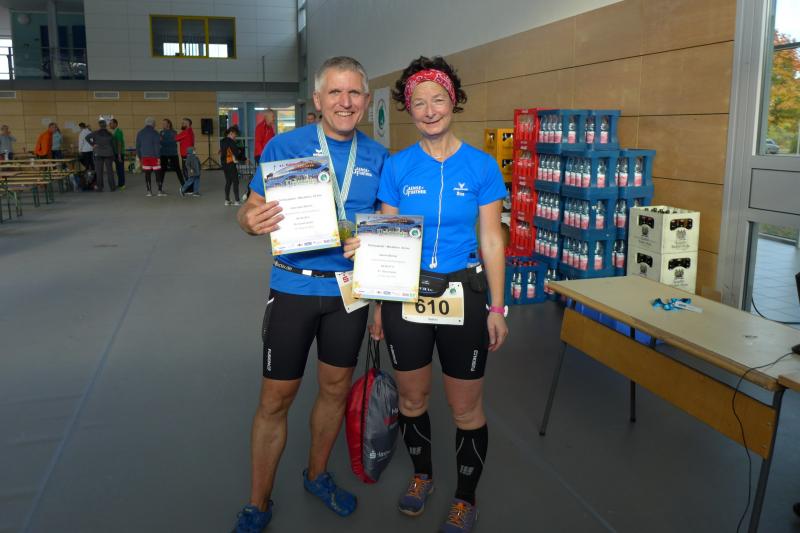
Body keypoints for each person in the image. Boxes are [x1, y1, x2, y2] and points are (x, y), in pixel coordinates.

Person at [344, 56, 508, 533]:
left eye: (438, 99)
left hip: (465, 295)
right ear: (408, 109)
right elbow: (384, 239)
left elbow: (492, 239)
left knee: (465, 408)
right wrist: (378, 305)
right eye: (419, 103)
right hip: (404, 294)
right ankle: (422, 475)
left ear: (453, 102)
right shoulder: (397, 167)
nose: (430, 110)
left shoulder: (480, 166)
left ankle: (465, 497)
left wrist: (498, 307)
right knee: (412, 400)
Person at [231, 56, 388, 533]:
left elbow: (386, 229)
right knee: (275, 399)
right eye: (335, 92)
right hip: (293, 287)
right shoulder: (285, 146)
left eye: (354, 93)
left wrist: (379, 294)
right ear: (317, 100)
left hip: (349, 293)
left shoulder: (378, 156)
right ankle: (257, 503)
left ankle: (317, 475)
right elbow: (249, 209)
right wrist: (248, 221)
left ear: (366, 100)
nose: (345, 102)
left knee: (335, 390)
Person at [86, 120, 116, 192]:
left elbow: (87, 137)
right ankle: (112, 187)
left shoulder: (95, 133)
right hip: (108, 153)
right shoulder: (110, 134)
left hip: (98, 153)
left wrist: (93, 144)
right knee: (110, 171)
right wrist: (114, 155)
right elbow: (113, 145)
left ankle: (100, 187)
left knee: (99, 172)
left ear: (99, 125)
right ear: (106, 125)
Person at [135, 117, 163, 196]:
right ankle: (159, 191)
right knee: (158, 174)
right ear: (153, 124)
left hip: (144, 157)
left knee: (147, 174)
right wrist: (158, 157)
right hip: (154, 157)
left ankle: (149, 192)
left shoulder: (140, 133)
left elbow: (137, 146)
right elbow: (157, 146)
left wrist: (140, 157)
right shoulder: (155, 133)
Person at [220, 126, 244, 206]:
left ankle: (227, 200)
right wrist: (244, 158)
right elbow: (236, 153)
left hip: (224, 164)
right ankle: (237, 201)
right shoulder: (231, 141)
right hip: (230, 163)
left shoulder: (222, 141)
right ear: (231, 133)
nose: (235, 136)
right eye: (235, 134)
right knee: (235, 181)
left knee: (228, 181)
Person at [159, 118, 185, 190]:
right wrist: (162, 141)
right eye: (162, 123)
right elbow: (159, 142)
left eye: (164, 123)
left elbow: (172, 142)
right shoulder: (161, 132)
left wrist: (163, 141)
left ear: (169, 124)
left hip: (173, 153)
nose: (163, 125)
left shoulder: (174, 132)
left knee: (178, 170)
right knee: (162, 171)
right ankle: (159, 188)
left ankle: (184, 186)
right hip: (163, 154)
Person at [109, 118, 126, 191]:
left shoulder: (118, 132)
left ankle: (122, 185)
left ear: (115, 124)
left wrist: (119, 155)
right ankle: (120, 183)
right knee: (118, 169)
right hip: (116, 153)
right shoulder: (114, 132)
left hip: (119, 153)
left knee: (120, 169)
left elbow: (119, 143)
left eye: (111, 123)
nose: (110, 125)